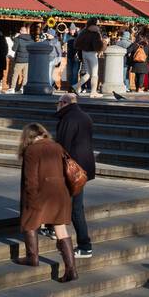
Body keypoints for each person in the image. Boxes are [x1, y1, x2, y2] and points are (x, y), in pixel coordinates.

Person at [17, 123, 77, 281]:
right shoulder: (57, 147)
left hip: (42, 194)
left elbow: (30, 179)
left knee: (29, 222)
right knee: (61, 229)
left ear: (27, 136)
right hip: (60, 193)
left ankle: (32, 257)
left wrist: (30, 200)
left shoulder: (31, 150)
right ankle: (71, 269)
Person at [54, 92, 96, 259]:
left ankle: (85, 245)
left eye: (58, 102)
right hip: (83, 168)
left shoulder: (68, 119)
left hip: (72, 170)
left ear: (64, 103)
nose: (57, 106)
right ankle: (52, 227)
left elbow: (62, 146)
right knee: (67, 202)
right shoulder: (85, 116)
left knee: (76, 208)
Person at [75, 19, 104, 96]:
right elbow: (98, 46)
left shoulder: (84, 31)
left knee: (88, 74)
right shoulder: (96, 32)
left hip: (84, 53)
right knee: (94, 74)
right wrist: (103, 44)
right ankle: (93, 92)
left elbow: (77, 43)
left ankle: (75, 86)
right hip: (92, 54)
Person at [7, 24, 35, 93]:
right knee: (25, 75)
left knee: (15, 74)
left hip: (19, 60)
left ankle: (12, 88)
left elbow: (14, 49)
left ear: (20, 31)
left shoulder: (18, 39)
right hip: (28, 60)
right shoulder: (31, 40)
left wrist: (15, 39)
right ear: (26, 31)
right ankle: (22, 89)